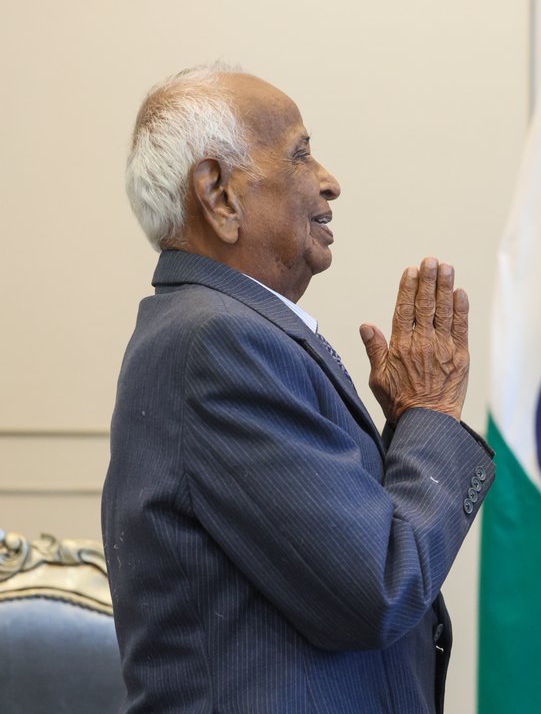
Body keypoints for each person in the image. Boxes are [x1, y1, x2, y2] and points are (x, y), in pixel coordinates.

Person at [102, 65, 493, 713]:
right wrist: (431, 416)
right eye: (301, 154)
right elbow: (379, 590)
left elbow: (331, 560)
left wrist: (409, 434)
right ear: (219, 196)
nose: (329, 181)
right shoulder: (220, 345)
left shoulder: (223, 333)